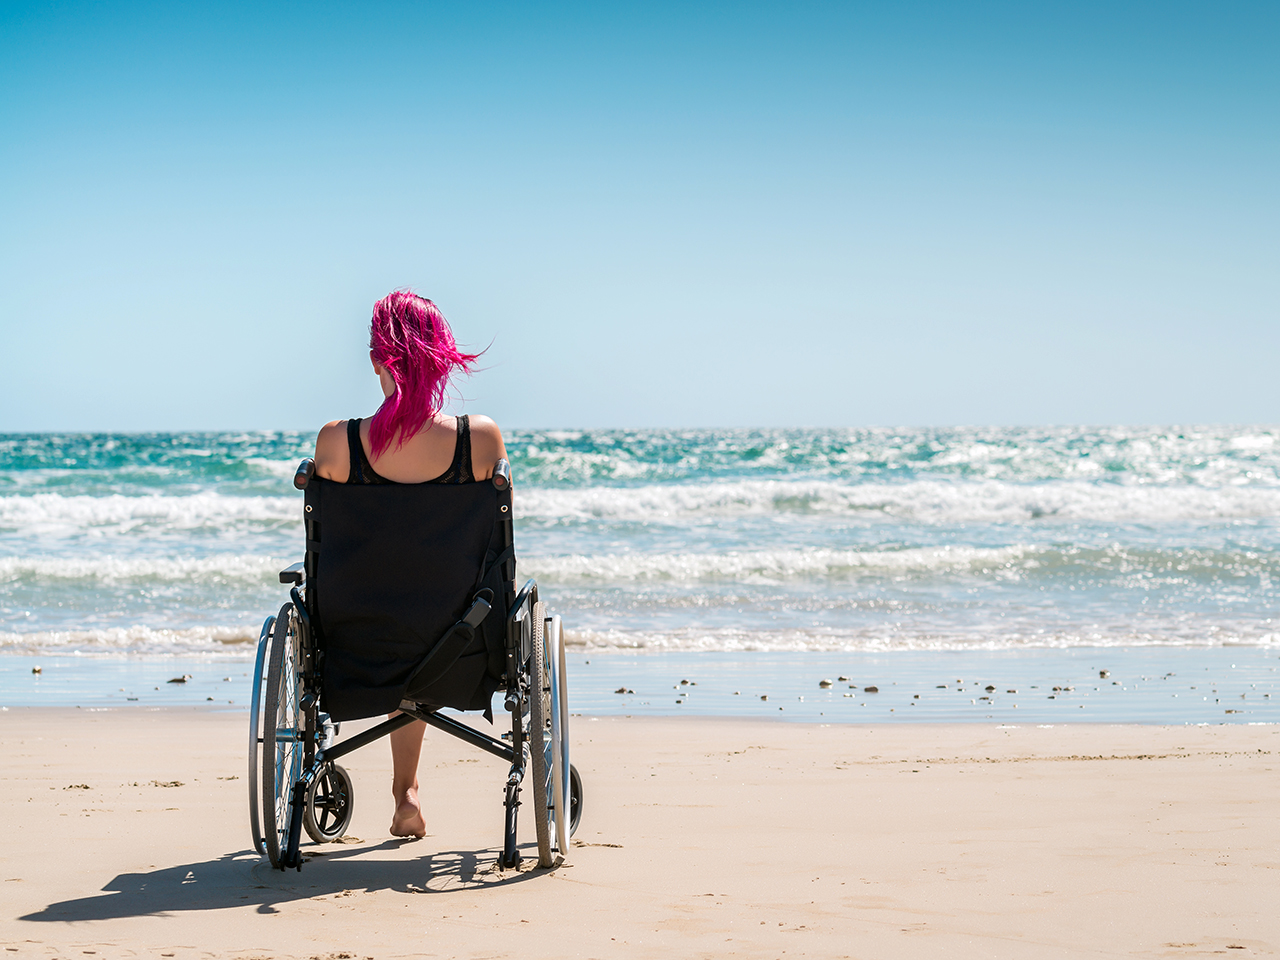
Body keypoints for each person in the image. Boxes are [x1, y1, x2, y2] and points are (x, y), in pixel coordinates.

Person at [312, 290, 508, 839]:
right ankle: (407, 793)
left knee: (393, 606)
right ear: (442, 357)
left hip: (357, 643)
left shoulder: (336, 443)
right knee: (428, 611)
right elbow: (492, 551)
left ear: (379, 360)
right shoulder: (480, 440)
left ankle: (407, 792)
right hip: (462, 642)